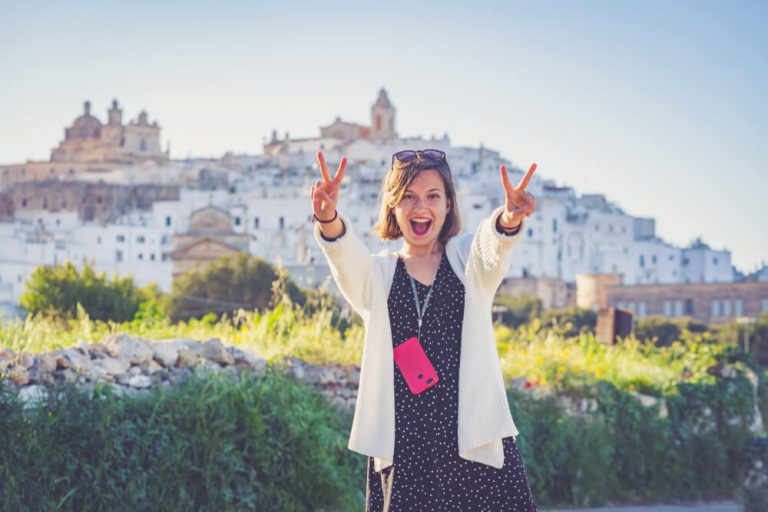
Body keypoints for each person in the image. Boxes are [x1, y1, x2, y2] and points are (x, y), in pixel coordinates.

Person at [310, 149, 538, 511]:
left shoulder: (467, 262)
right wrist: (328, 219)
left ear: (449, 205)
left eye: (433, 196)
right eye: (409, 197)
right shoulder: (378, 275)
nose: (421, 207)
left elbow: (493, 246)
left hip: (474, 445)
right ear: (392, 205)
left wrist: (509, 217)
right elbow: (346, 260)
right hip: (406, 450)